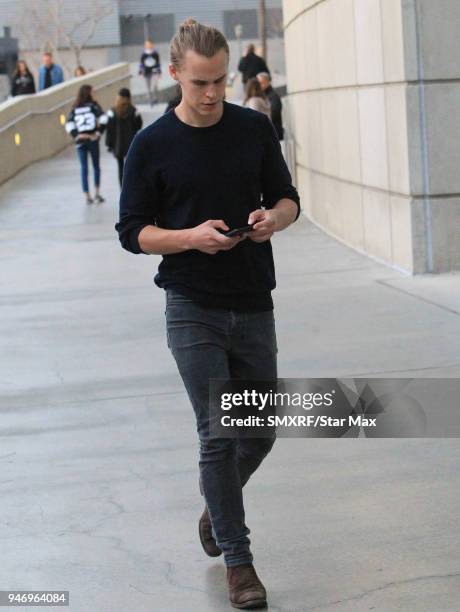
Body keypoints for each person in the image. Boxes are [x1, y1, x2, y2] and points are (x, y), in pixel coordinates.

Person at [115, 18, 300, 610]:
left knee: (260, 432)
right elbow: (132, 232)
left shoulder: (253, 128)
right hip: (191, 305)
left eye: (220, 80)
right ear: (174, 75)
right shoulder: (151, 145)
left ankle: (216, 512)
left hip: (253, 301)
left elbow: (289, 198)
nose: (213, 93)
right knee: (218, 434)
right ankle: (240, 564)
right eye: (200, 82)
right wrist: (190, 238)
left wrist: (275, 220)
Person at [65, 84, 108, 204]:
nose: (95, 93)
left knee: (84, 168)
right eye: (93, 91)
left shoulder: (75, 107)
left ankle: (87, 195)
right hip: (92, 139)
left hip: (80, 141)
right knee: (96, 166)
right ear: (88, 93)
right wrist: (98, 133)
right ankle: (97, 193)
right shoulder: (93, 106)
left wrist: (76, 135)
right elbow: (104, 118)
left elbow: (69, 124)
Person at [105, 88, 143, 187]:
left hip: (118, 144)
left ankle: (122, 188)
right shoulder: (134, 110)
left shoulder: (112, 111)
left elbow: (109, 128)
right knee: (131, 167)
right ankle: (131, 187)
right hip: (131, 143)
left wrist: (109, 144)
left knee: (120, 167)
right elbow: (139, 125)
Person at [257, 71, 283, 141]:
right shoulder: (261, 95)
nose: (259, 85)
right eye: (258, 83)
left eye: (261, 82)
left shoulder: (273, 96)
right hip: (267, 135)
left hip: (274, 135)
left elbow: (274, 113)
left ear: (268, 82)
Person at [139, 39, 161, 106]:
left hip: (154, 72)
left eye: (149, 44)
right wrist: (140, 72)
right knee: (148, 87)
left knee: (154, 86)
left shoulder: (155, 53)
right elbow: (141, 64)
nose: (148, 45)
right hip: (146, 72)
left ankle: (155, 98)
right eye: (146, 44)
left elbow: (158, 63)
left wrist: (159, 72)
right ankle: (150, 100)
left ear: (152, 44)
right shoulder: (143, 54)